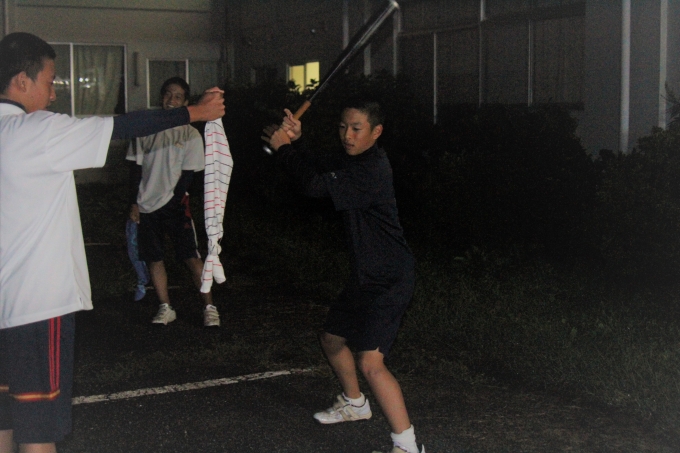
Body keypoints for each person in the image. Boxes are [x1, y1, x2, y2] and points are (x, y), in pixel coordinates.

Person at [0, 32, 224, 453]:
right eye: (49, 82)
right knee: (38, 429)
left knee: (5, 418)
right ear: (22, 81)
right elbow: (122, 126)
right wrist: (195, 112)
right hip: (35, 305)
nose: (53, 95)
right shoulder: (35, 131)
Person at [263, 101, 424, 453]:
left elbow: (314, 186)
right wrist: (298, 142)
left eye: (356, 128)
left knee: (370, 362)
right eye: (342, 127)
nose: (347, 135)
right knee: (332, 339)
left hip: (390, 277)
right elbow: (320, 166)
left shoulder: (372, 169)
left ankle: (407, 445)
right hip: (365, 275)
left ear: (376, 132)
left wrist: (284, 149)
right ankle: (355, 403)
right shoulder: (354, 159)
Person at [127, 77, 220, 327]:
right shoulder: (146, 128)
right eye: (168, 94)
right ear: (161, 97)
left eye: (178, 96)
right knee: (154, 257)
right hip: (146, 205)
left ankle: (209, 307)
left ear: (186, 102)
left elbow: (189, 174)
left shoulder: (190, 134)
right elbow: (135, 168)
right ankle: (165, 307)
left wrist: (173, 201)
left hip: (176, 206)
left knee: (191, 256)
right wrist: (134, 203)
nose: (172, 100)